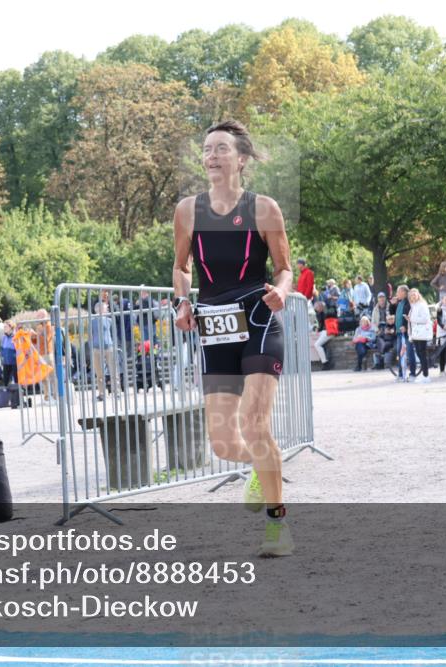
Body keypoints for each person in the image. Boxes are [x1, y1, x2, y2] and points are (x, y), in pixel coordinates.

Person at [172, 120, 293, 557]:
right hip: (214, 328)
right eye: (207, 149)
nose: (212, 156)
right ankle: (264, 464)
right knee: (223, 444)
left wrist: (282, 291)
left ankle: (278, 527)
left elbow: (284, 267)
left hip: (258, 321)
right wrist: (181, 302)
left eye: (221, 148)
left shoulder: (264, 209)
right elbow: (181, 267)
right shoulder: (188, 211)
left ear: (241, 159)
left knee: (254, 423)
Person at [89, 302, 117, 401]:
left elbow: (113, 333)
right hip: (97, 349)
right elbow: (90, 335)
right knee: (99, 373)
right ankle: (102, 394)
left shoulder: (109, 320)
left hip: (109, 347)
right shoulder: (92, 322)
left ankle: (116, 392)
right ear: (99, 310)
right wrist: (92, 347)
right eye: (106, 308)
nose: (107, 310)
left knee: (114, 371)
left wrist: (114, 345)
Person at [406, 288, 432, 383]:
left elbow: (425, 319)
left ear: (418, 295)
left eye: (414, 294)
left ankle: (426, 376)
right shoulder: (413, 306)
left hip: (422, 333)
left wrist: (412, 319)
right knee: (419, 354)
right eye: (411, 295)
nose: (413, 297)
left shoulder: (422, 305)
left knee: (422, 354)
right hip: (416, 333)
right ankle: (424, 374)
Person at [390, 285, 411, 381]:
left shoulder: (408, 303)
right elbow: (392, 313)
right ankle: (401, 374)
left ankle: (408, 374)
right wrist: (392, 304)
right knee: (400, 353)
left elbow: (407, 316)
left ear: (404, 292)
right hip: (399, 332)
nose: (396, 294)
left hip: (405, 332)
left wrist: (405, 326)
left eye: (398, 292)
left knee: (406, 353)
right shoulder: (399, 302)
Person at [313, 302, 338, 370]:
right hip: (327, 331)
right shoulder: (323, 312)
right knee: (316, 340)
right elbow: (321, 325)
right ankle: (326, 362)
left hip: (329, 331)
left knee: (317, 345)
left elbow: (322, 324)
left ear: (320, 307)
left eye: (316, 308)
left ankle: (325, 363)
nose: (316, 310)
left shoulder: (327, 312)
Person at [0, 321, 18, 386]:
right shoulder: (4, 337)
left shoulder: (16, 336)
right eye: (4, 327)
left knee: (17, 380)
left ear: (10, 327)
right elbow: (2, 348)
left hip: (14, 362)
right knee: (5, 381)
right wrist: (2, 355)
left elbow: (18, 349)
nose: (4, 328)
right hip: (6, 362)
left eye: (6, 327)